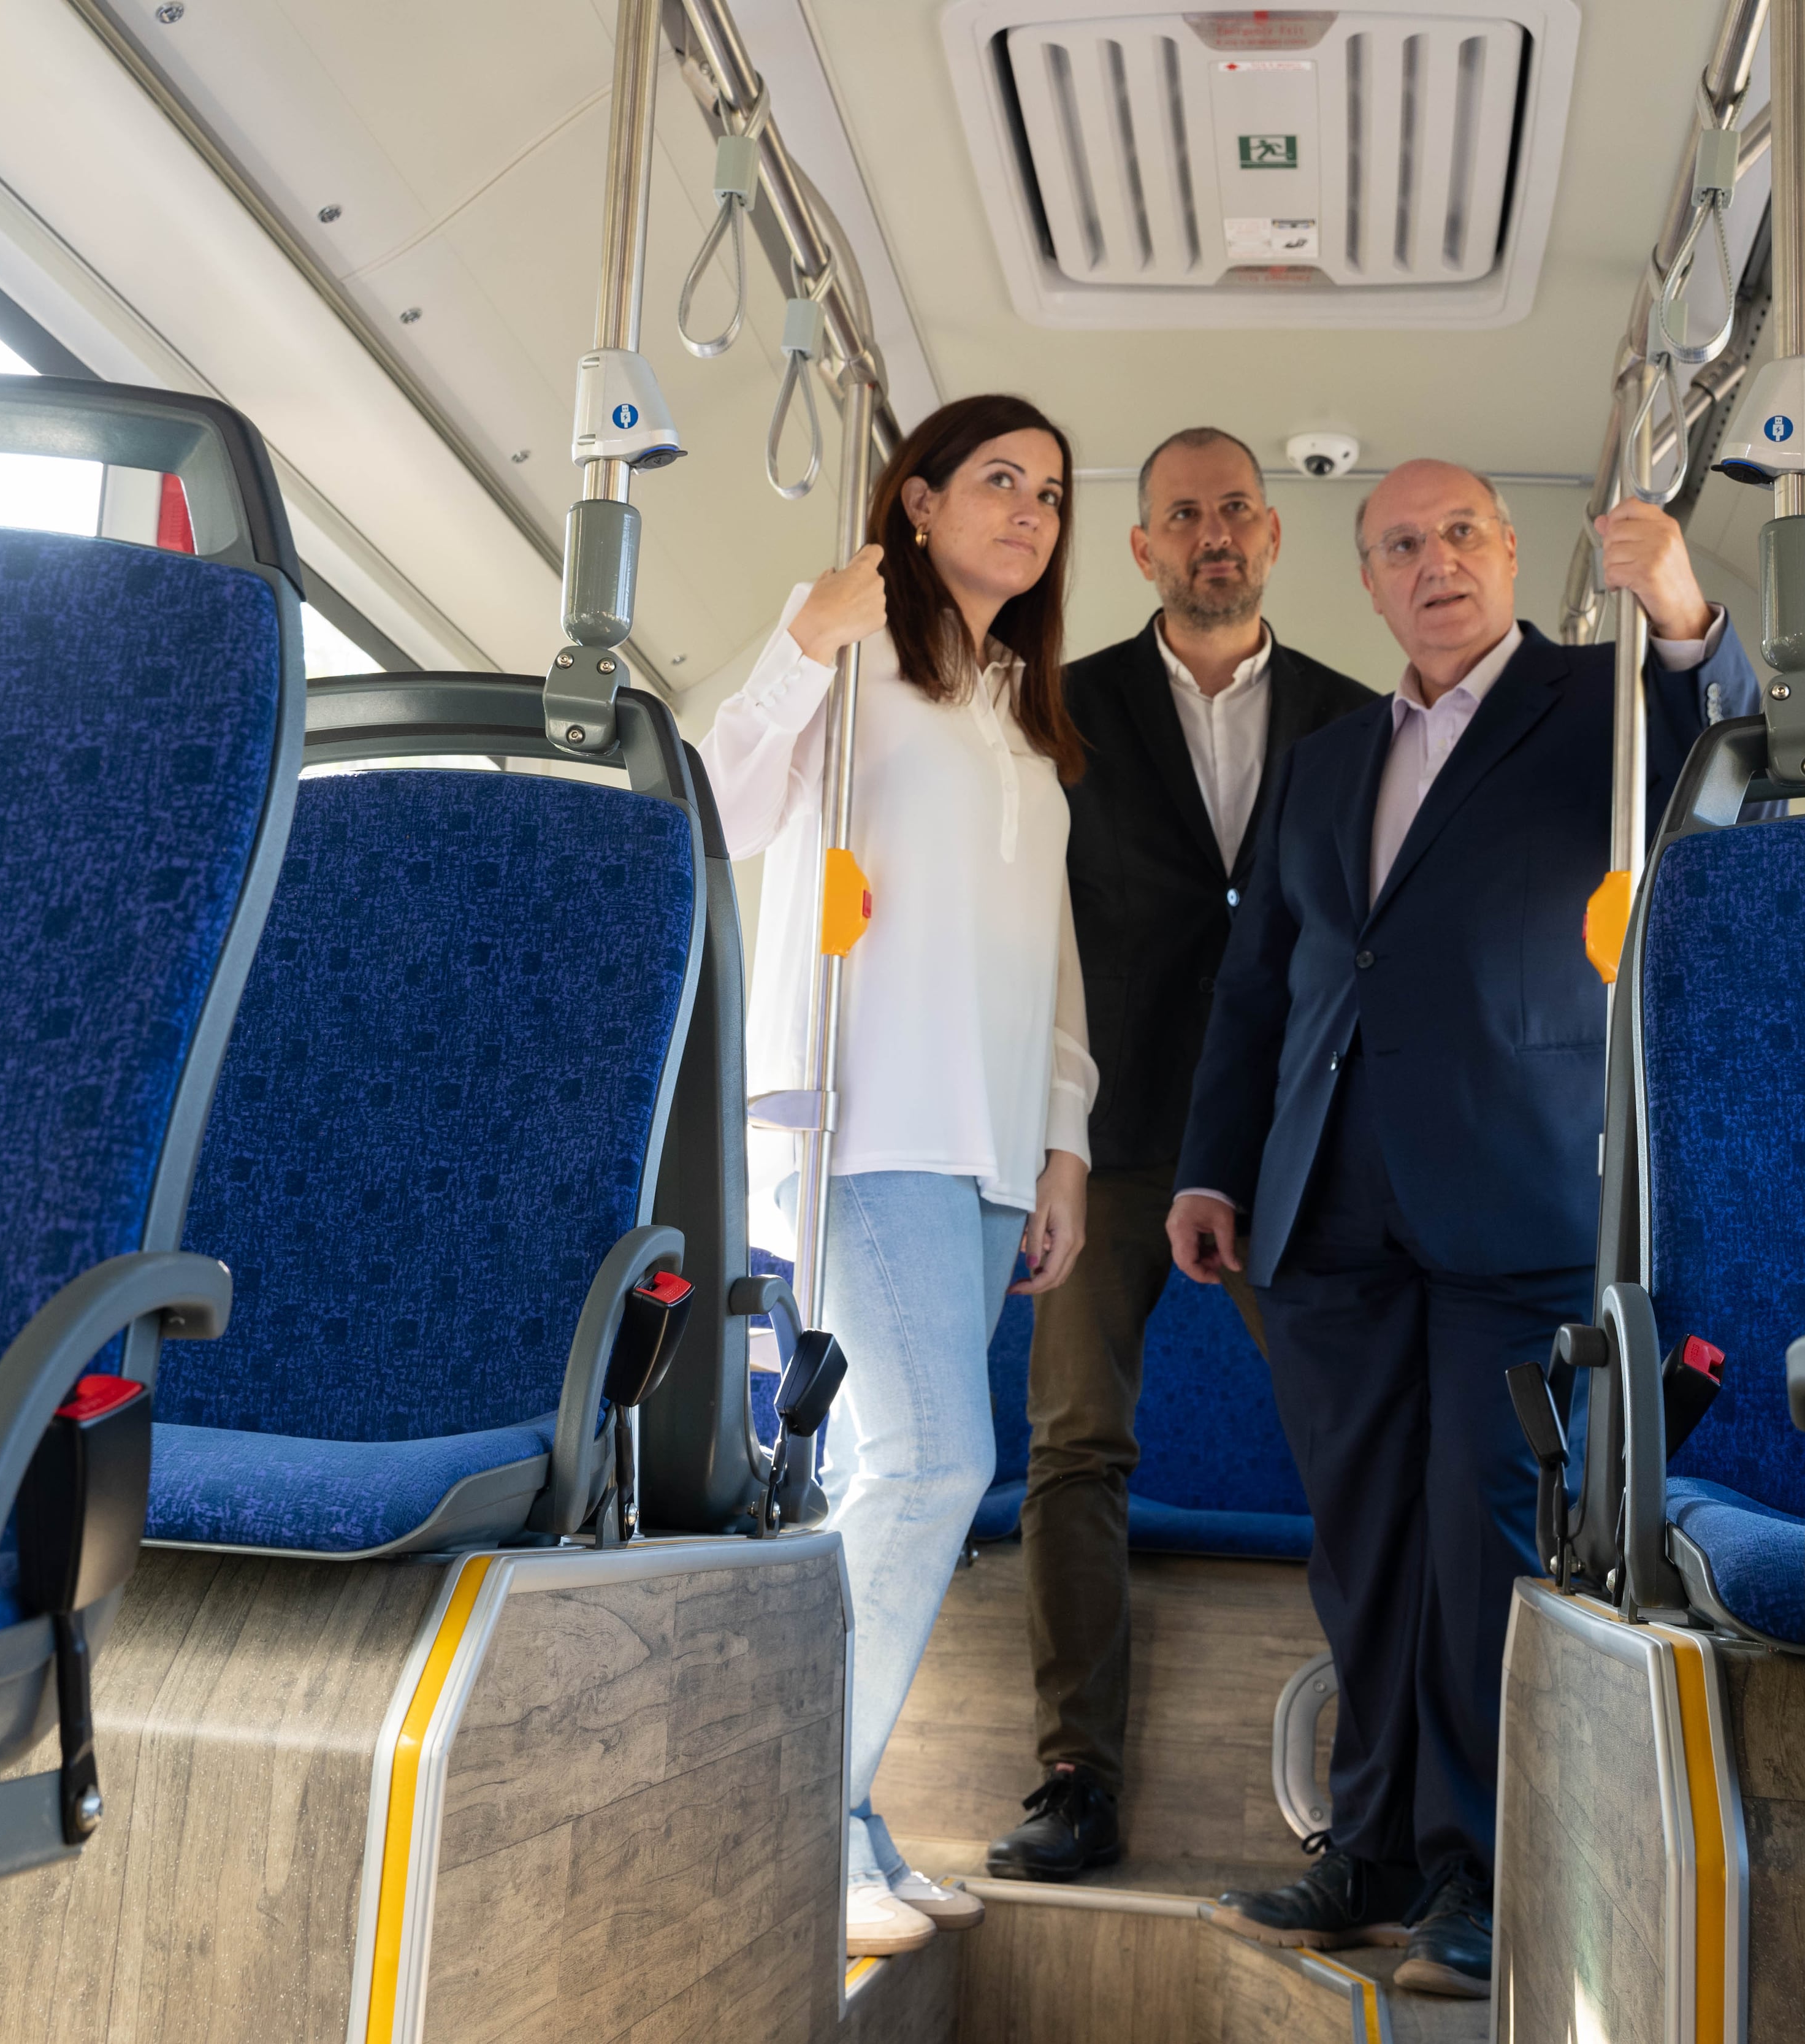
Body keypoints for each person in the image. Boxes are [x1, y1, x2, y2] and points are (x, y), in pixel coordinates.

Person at [1170, 464, 1761, 1995]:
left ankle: (1482, 1875)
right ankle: (1364, 1849)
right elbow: (1263, 985)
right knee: (1362, 1545)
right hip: (1328, 1201)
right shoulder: (1321, 759)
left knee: (1488, 1535)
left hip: (1516, 1186)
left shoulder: (1603, 700)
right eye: (1397, 548)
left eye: (1457, 537)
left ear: (1509, 553)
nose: (1431, 565)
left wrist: (1686, 614)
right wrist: (1208, 1167)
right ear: (1364, 585)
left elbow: (1729, 762)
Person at [701, 394, 1097, 1960]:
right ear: (917, 503)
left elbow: (1052, 960)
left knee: (900, 1469)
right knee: (933, 1459)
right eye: (997, 480)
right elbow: (715, 808)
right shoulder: (850, 660)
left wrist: (1065, 1139)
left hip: (991, 1141)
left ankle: (845, 1809)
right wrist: (803, 638)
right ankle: (794, 1816)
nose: (1029, 510)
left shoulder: (1023, 717)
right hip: (863, 1120)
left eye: (1052, 492)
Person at [986, 427, 1373, 1882]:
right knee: (1073, 1443)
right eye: (1178, 517)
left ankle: (1382, 1775)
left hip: (1297, 1136)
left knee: (1354, 1446)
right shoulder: (1056, 711)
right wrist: (1045, 1133)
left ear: (1272, 537)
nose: (1210, 535)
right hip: (1111, 1130)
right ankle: (1075, 1774)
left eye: (1232, 512)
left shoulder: (1354, 719)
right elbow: (1025, 929)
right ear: (1139, 549)